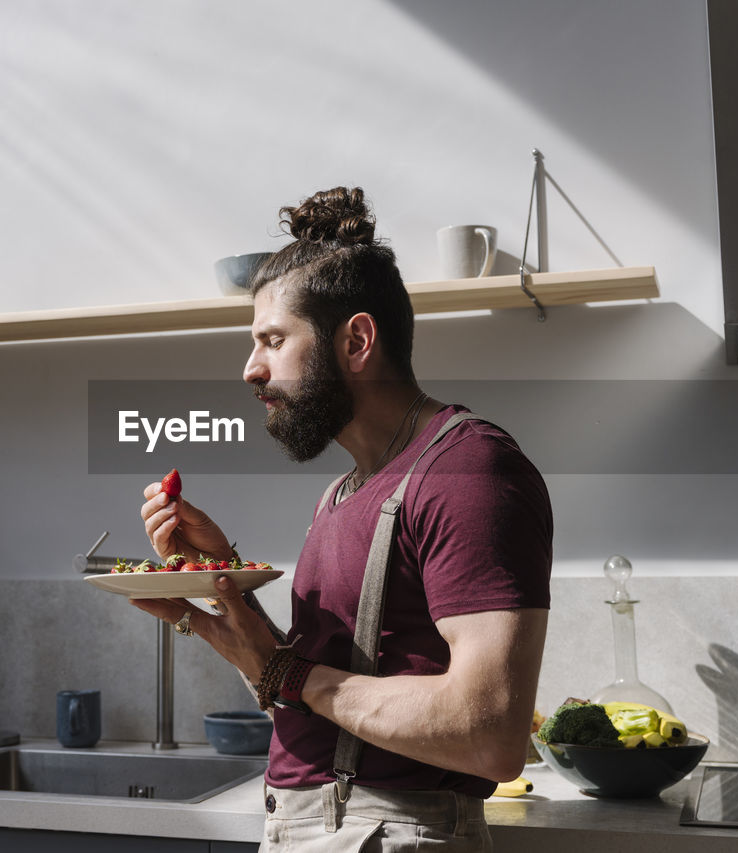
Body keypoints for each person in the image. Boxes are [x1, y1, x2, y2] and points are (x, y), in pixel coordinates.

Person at [133, 187, 552, 851]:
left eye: (273, 339)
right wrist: (217, 588)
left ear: (356, 340)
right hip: (313, 827)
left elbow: (493, 733)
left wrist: (287, 672)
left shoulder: (467, 469)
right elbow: (303, 697)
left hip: (385, 831)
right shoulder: (342, 493)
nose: (250, 369)